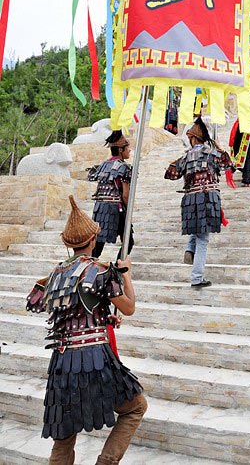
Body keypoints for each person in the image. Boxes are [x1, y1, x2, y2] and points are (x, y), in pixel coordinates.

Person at [26, 195, 147, 465]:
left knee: (64, 437)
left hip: (62, 363)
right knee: (136, 407)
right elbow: (128, 308)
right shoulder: (101, 271)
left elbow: (70, 310)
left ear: (68, 244)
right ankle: (106, 462)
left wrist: (103, 318)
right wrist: (125, 274)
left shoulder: (56, 275)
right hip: (95, 360)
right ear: (93, 240)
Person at [164, 117, 235, 288]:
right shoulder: (212, 153)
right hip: (208, 196)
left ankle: (189, 250)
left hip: (190, 198)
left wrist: (181, 159)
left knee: (197, 228)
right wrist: (218, 147)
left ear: (193, 138)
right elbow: (228, 165)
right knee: (203, 238)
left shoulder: (186, 156)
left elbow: (171, 174)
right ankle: (197, 277)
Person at [88, 131, 133, 260]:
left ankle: (87, 267)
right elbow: (125, 195)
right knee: (128, 241)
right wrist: (128, 209)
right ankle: (118, 271)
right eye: (127, 148)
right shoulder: (124, 167)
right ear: (120, 149)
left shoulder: (102, 165)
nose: (129, 150)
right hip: (116, 209)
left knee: (97, 245)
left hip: (100, 209)